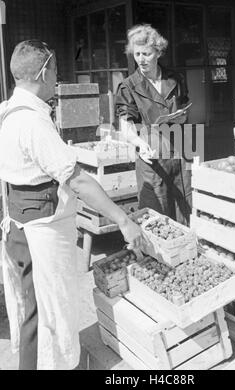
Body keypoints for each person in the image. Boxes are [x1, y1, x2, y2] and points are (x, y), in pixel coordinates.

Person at [0, 40, 142, 370]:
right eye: (56, 72)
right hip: (42, 231)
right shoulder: (33, 122)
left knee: (32, 307)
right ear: (45, 71)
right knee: (52, 312)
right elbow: (77, 179)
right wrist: (122, 219)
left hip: (19, 225)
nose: (57, 80)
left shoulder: (7, 110)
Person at [115, 24, 192, 225]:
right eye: (137, 54)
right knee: (156, 214)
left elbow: (185, 109)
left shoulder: (175, 79)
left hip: (178, 154)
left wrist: (181, 117)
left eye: (146, 54)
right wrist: (139, 143)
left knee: (184, 209)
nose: (141, 59)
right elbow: (126, 125)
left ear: (158, 52)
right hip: (151, 156)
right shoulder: (128, 86)